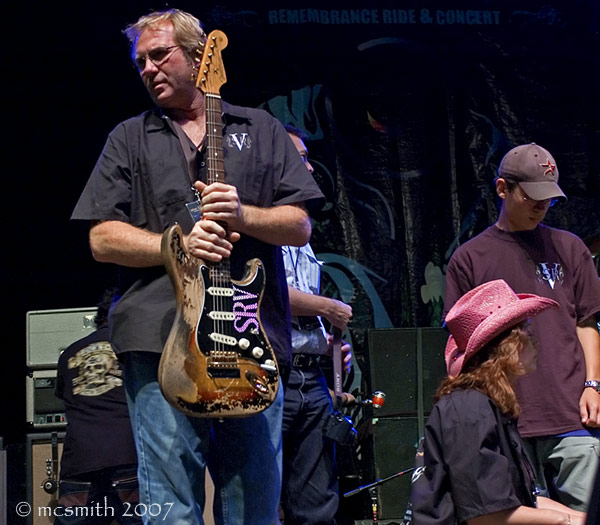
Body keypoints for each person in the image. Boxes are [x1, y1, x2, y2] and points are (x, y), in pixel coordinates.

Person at [71, 8, 324, 524]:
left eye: (159, 54)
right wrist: (174, 244)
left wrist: (242, 214)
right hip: (157, 335)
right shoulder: (129, 137)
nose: (148, 68)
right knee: (169, 499)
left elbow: (299, 225)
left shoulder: (261, 128)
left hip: (248, 334)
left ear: (198, 55)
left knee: (254, 495)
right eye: (140, 61)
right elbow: (101, 238)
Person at [443, 143, 600, 511]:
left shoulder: (570, 248)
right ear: (503, 188)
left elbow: (587, 320)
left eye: (549, 199)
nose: (541, 207)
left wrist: (593, 384)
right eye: (532, 197)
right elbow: (460, 346)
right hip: (506, 419)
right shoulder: (470, 258)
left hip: (571, 413)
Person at [411, 279, 588, 524]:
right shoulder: (468, 409)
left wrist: (582, 517)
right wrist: (566, 521)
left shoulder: (488, 403)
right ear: (507, 346)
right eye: (527, 333)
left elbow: (521, 501)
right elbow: (486, 515)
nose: (535, 342)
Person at [280, 124, 353, 524]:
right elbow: (263, 292)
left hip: (310, 378)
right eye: (299, 157)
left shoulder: (302, 233)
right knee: (262, 492)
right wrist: (325, 307)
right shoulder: (256, 224)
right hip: (270, 374)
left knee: (318, 502)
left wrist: (324, 343)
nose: (308, 166)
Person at [55, 289, 141, 524]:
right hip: (127, 456)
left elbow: (64, 400)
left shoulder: (69, 353)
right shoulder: (133, 350)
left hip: (79, 461)